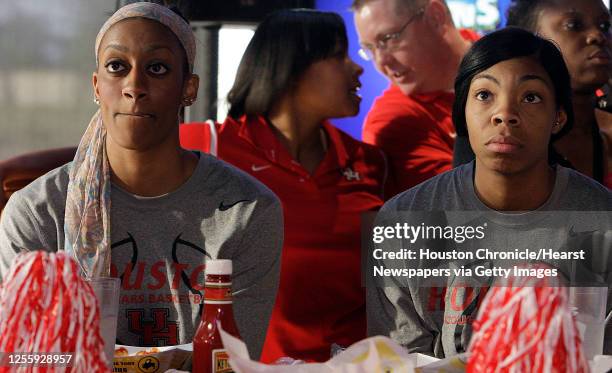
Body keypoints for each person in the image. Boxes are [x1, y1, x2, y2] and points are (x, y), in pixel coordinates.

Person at [0, 2, 283, 359]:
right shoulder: (38, 212)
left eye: (158, 68)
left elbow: (228, 360)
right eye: (117, 67)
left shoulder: (246, 210)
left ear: (189, 89)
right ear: (97, 86)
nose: (135, 86)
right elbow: (29, 357)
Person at [367, 27, 612, 358]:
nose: (505, 115)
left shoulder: (602, 220)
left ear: (558, 117)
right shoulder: (401, 221)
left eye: (531, 97)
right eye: (484, 95)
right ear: (463, 114)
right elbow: (397, 359)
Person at [179, 9, 386, 362]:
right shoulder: (204, 145)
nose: (357, 68)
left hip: (351, 366)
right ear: (291, 69)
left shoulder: (370, 162)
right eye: (339, 55)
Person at [454, 0, 612, 188]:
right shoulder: (487, 137)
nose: (598, 36)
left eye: (605, 25)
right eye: (573, 25)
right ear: (528, 39)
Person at [352, 0, 477, 197]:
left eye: (389, 39)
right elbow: (468, 208)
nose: (381, 62)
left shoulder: (511, 55)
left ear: (435, 17)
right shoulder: (393, 122)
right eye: (370, 48)